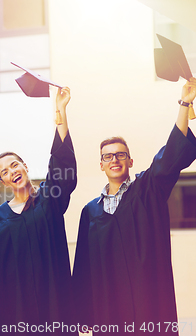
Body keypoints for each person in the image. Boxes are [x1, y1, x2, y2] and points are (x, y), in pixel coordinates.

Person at [72, 78, 196, 335]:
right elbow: (83, 266)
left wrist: (185, 103)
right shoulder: (90, 211)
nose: (114, 159)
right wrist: (83, 315)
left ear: (130, 160)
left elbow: (170, 156)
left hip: (147, 299)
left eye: (120, 155)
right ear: (101, 165)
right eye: (108, 156)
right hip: (108, 306)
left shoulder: (148, 190)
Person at [0, 87, 77, 335]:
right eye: (4, 172)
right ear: (3, 182)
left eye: (14, 165)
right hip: (15, 306)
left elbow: (62, 167)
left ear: (25, 166)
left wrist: (60, 112)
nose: (12, 172)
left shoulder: (48, 200)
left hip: (54, 300)